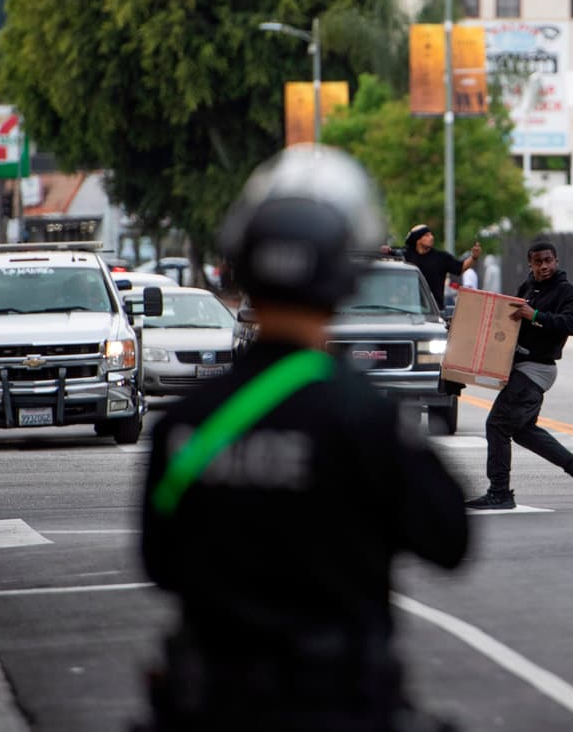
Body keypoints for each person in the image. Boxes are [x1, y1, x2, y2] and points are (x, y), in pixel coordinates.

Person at [140, 144, 469, 731]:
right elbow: (451, 539)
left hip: (212, 703)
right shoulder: (362, 418)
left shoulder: (185, 422)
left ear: (243, 268)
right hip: (336, 703)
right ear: (343, 277)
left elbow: (159, 561)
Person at [465, 241, 573, 510]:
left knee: (497, 425)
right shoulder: (527, 288)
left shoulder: (565, 291)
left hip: (537, 369)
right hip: (522, 366)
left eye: (548, 260)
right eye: (538, 262)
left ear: (556, 261)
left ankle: (499, 492)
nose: (544, 266)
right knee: (523, 431)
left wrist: (536, 315)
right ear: (531, 265)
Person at [402, 224, 480, 311]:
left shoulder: (440, 258)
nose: (431, 237)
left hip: (434, 310)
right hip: (406, 309)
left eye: (431, 235)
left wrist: (473, 258)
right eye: (427, 235)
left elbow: (460, 267)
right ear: (418, 240)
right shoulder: (404, 256)